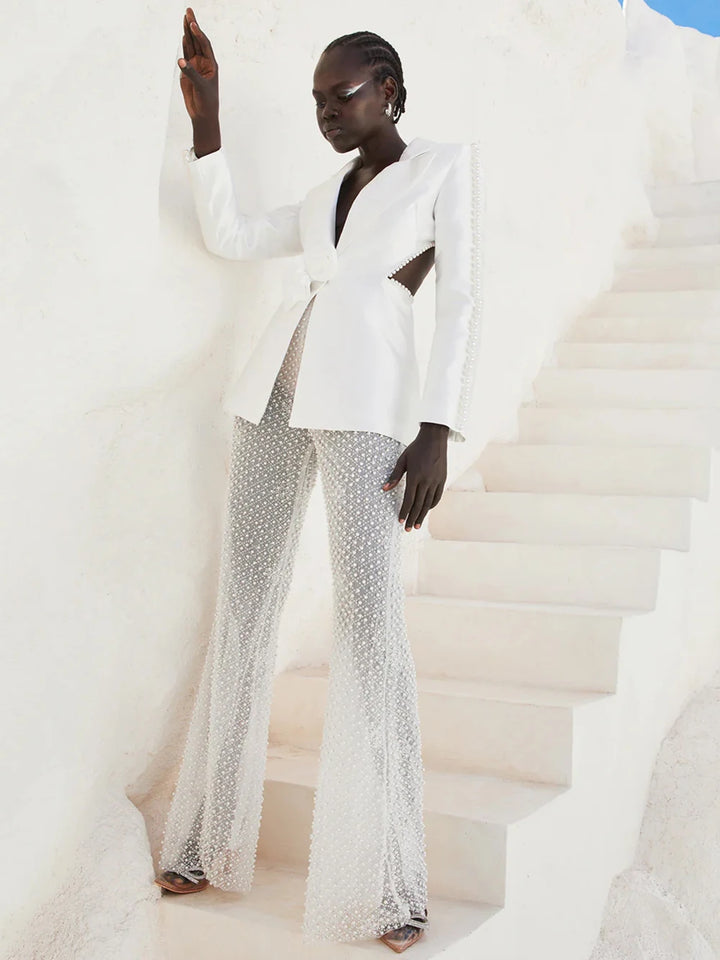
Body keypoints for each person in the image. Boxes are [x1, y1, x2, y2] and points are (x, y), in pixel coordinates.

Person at [154, 7, 484, 954]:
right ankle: (205, 842)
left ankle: (393, 887)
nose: (328, 115)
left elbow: (460, 300)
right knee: (245, 606)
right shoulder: (321, 190)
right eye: (315, 102)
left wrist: (437, 429)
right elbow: (226, 234)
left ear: (389, 89)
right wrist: (207, 118)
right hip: (274, 397)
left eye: (342, 97)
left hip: (371, 412)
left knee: (369, 627)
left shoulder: (444, 168)